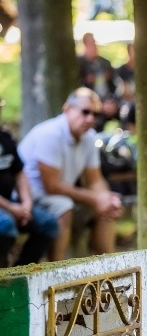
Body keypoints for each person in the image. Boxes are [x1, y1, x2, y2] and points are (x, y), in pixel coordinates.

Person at [18, 88, 123, 261]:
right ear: (67, 109)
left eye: (95, 114)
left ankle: (109, 265)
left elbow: (94, 179)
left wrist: (106, 199)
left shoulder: (89, 137)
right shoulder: (50, 134)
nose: (90, 119)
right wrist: (95, 198)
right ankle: (58, 271)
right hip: (29, 194)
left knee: (106, 206)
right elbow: (51, 185)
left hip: (57, 191)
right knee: (64, 206)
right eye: (85, 112)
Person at [0, 128, 59, 267]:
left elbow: (20, 174)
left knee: (48, 223)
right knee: (6, 224)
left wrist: (26, 204)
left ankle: (20, 273)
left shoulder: (5, 137)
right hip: (6, 208)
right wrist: (12, 209)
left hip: (10, 203)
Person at [77, 33, 119, 131]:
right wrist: (99, 104)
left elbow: (116, 84)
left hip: (109, 101)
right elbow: (80, 89)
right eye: (90, 44)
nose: (94, 47)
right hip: (90, 104)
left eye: (95, 43)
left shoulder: (105, 63)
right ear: (85, 45)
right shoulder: (79, 64)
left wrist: (112, 100)